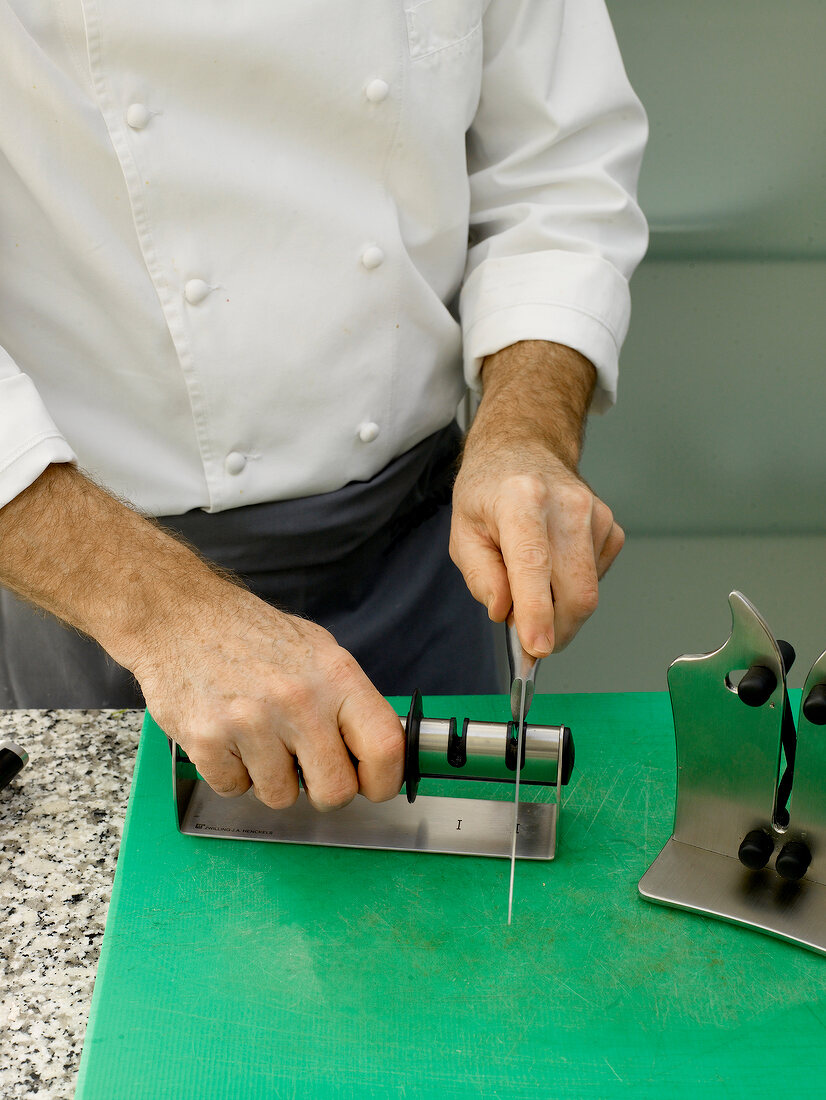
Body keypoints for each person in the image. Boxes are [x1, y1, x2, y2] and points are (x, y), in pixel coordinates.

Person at [0, 0, 648, 813]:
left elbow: (558, 172)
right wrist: (160, 613)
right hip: (94, 602)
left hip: (419, 565)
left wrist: (525, 432)